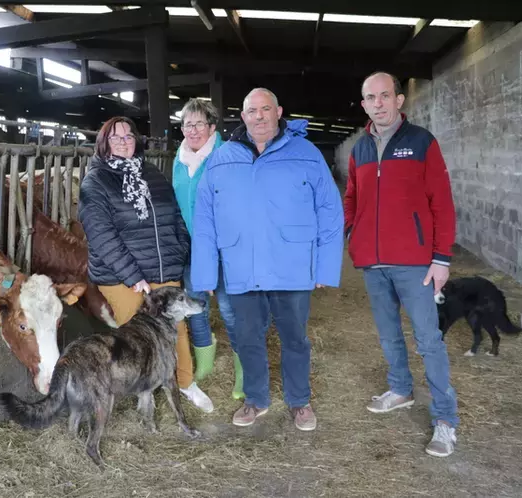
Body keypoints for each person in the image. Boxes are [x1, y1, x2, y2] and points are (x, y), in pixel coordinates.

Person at [191, 88, 344, 431]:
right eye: (251, 111)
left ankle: (299, 401)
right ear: (242, 117)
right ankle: (256, 398)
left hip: (292, 265)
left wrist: (325, 267)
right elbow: (204, 220)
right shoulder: (223, 157)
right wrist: (205, 275)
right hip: (240, 266)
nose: (259, 116)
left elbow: (330, 212)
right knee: (247, 337)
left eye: (265, 109)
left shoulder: (306, 153)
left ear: (279, 112)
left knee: (294, 338)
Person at [344, 71, 459, 457]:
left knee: (429, 340)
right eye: (370, 97)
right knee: (388, 332)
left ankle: (445, 419)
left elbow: (441, 202)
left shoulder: (422, 142)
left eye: (384, 96)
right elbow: (352, 199)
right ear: (364, 104)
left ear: (398, 100)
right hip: (374, 263)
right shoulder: (360, 148)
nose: (378, 103)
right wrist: (351, 233)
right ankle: (400, 388)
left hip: (415, 262)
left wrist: (441, 258)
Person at [78, 116, 214, 413]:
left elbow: (175, 218)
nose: (124, 142)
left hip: (164, 270)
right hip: (121, 276)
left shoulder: (152, 174)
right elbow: (101, 235)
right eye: (116, 138)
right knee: (140, 337)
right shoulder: (96, 181)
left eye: (129, 136)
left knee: (176, 331)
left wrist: (180, 254)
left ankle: (185, 383)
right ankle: (144, 392)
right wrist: (132, 275)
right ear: (104, 144)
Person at [172, 98, 242, 401]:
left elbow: (235, 206)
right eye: (188, 124)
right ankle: (204, 364)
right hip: (190, 249)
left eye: (200, 123)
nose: (193, 130)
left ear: (212, 127)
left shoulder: (226, 156)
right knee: (195, 307)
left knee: (230, 310)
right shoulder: (179, 160)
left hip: (223, 250)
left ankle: (245, 372)